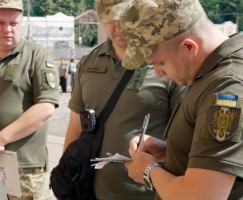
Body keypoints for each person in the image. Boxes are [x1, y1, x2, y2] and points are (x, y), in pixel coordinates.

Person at [120, 0, 243, 199]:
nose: (158, 73)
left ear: (189, 47)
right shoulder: (212, 73)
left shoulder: (230, 89)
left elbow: (201, 196)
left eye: (160, 63)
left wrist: (148, 171)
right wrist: (173, 149)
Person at [61, 0, 187, 199]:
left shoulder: (165, 61)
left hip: (148, 192)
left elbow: (186, 140)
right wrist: (66, 178)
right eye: (110, 19)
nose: (118, 27)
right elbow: (75, 127)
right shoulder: (89, 61)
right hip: (92, 191)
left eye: (125, 17)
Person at [0, 0, 60, 199]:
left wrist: (2, 138)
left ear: (21, 24)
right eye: (0, 23)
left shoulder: (36, 55)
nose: (7, 29)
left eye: (13, 23)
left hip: (25, 167)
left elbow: (45, 107)